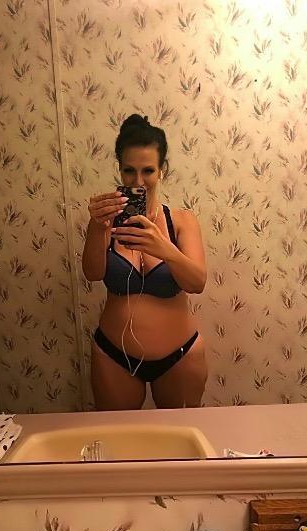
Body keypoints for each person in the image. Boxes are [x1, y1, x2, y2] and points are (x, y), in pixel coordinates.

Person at [82, 114, 207, 410]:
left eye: (148, 170)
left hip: (179, 355)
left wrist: (164, 249)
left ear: (162, 170)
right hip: (115, 356)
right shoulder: (105, 220)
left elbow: (197, 282)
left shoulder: (182, 221)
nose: (138, 181)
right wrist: (98, 227)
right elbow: (92, 273)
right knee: (117, 436)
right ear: (120, 170)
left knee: (180, 436)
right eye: (129, 171)